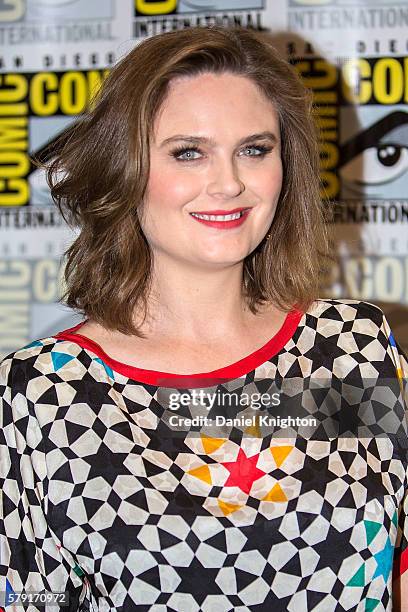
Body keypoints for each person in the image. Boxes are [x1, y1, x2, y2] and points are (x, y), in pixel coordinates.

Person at [0, 25, 407, 612]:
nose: (229, 182)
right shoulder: (42, 395)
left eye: (255, 149)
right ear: (127, 169)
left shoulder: (354, 349)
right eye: (188, 152)